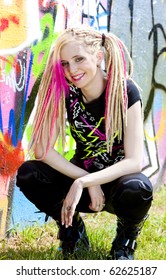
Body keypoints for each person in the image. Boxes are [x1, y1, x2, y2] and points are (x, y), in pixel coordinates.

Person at [16, 26, 153, 260]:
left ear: (98, 56)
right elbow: (42, 149)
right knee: (29, 174)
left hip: (116, 185)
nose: (72, 70)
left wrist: (85, 181)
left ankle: (125, 240)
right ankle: (71, 228)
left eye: (79, 59)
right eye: (65, 63)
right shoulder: (65, 92)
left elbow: (133, 162)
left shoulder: (124, 91)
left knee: (137, 189)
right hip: (80, 182)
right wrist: (82, 179)